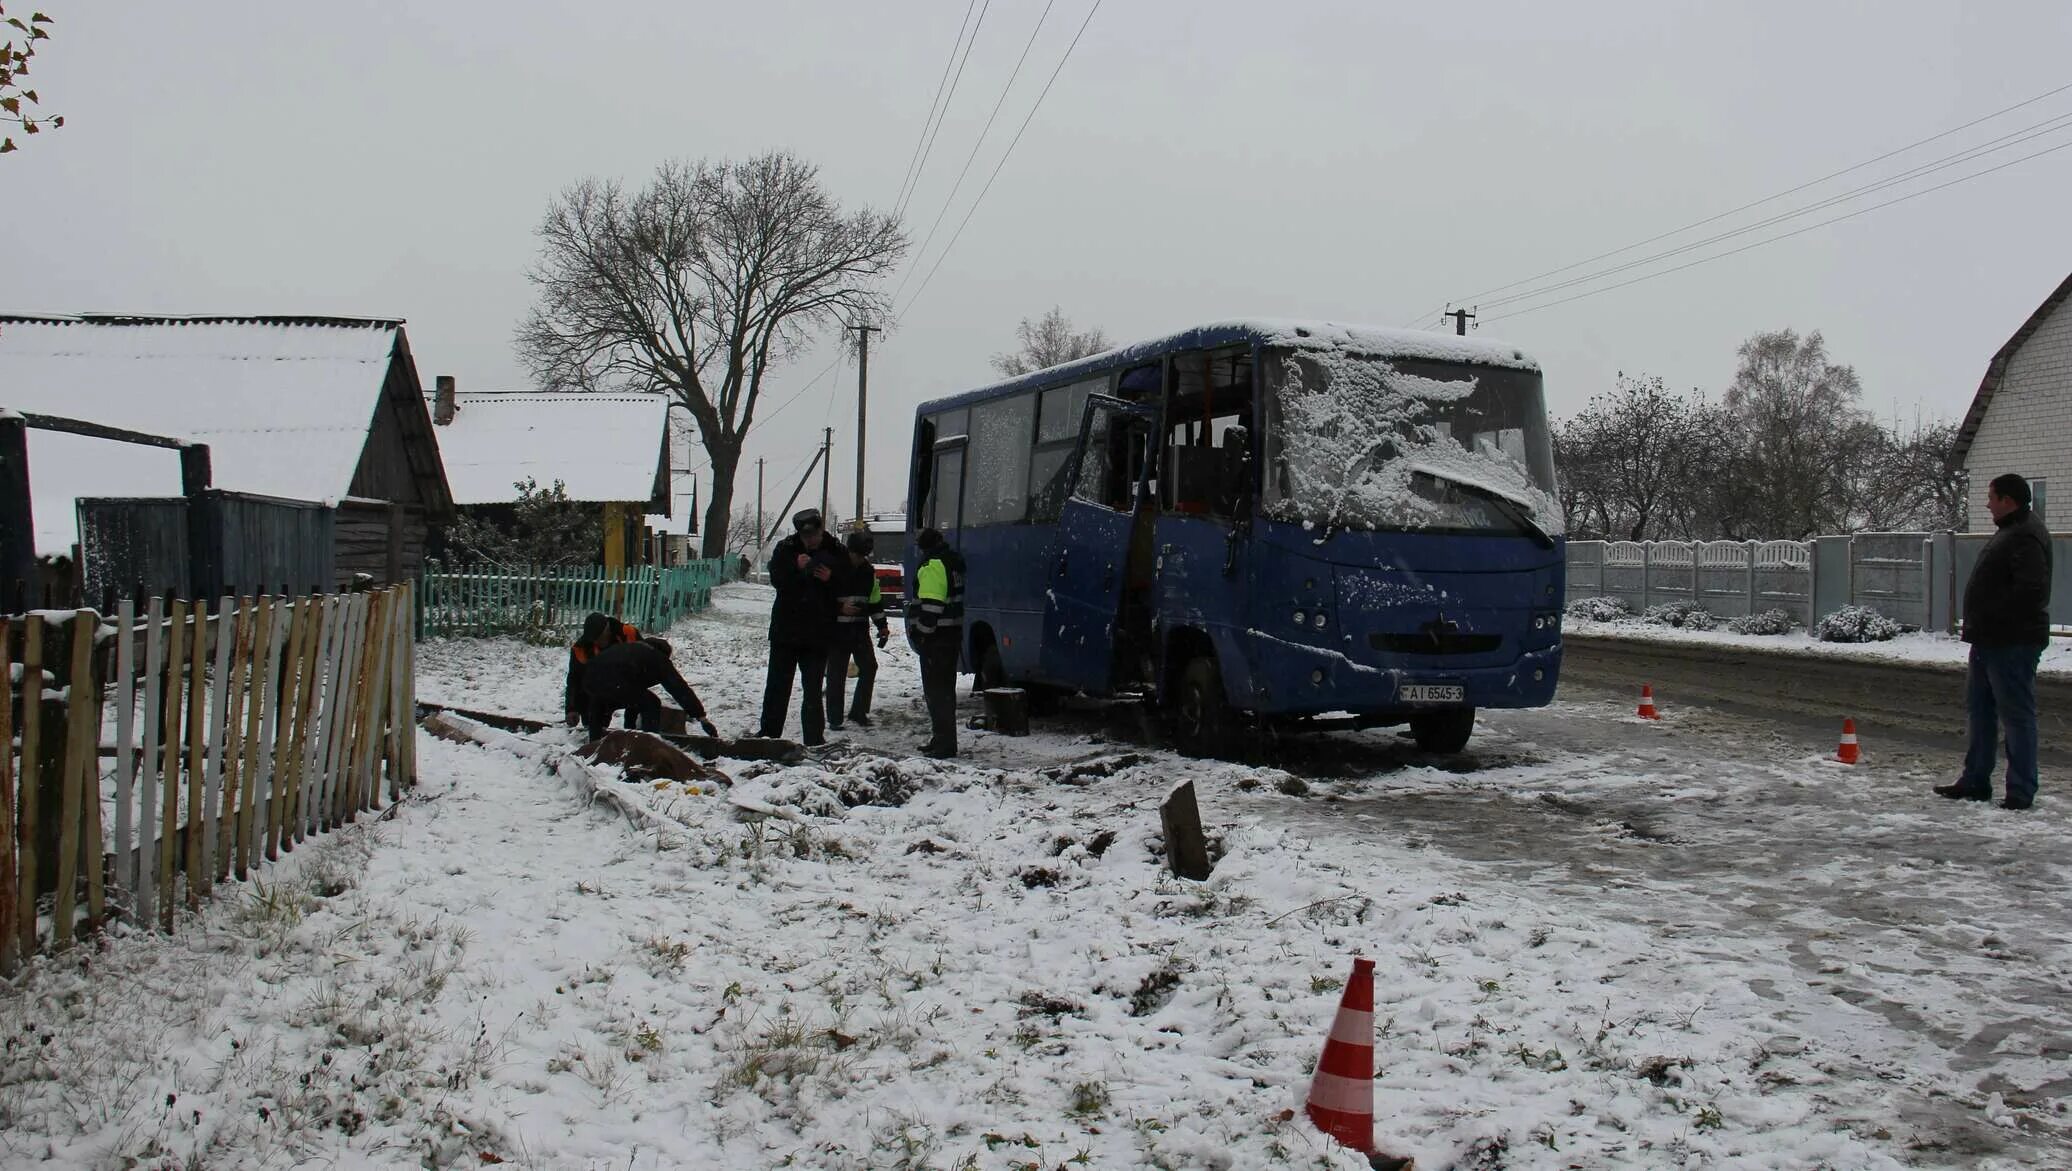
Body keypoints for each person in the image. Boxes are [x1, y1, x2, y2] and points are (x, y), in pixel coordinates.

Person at [1937, 472, 2054, 810]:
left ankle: (2020, 790)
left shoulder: (2025, 535)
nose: (1987, 503)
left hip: (2012, 642)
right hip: (1991, 640)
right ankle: (1975, 780)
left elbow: (2031, 592)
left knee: (2016, 715)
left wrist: (1992, 617)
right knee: (1981, 711)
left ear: (2008, 500)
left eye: (1991, 497)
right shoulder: (2011, 532)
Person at [758, 508, 843, 746]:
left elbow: (847, 583)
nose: (811, 541)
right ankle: (769, 735)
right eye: (806, 537)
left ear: (820, 530)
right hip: (786, 631)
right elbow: (777, 580)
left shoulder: (835, 549)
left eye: (814, 536)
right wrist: (796, 568)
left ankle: (814, 738)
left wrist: (830, 579)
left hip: (817, 633)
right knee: (777, 685)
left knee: (813, 689)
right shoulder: (786, 549)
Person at [580, 637, 717, 743]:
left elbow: (632, 697)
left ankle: (595, 743)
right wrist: (701, 716)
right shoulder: (656, 657)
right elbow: (678, 687)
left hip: (590, 678)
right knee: (651, 703)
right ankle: (649, 744)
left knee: (605, 701)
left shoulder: (629, 649)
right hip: (615, 681)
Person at [907, 527, 966, 759]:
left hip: (936, 640)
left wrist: (921, 634)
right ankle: (942, 739)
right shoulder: (953, 563)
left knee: (937, 693)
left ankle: (943, 744)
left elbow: (931, 606)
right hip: (950, 636)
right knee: (945, 692)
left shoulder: (933, 566)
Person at [826, 531, 892, 731]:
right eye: (857, 555)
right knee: (836, 674)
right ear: (850, 551)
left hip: (859, 630)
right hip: (837, 631)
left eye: (863, 556)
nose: (860, 559)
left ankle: (859, 712)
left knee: (869, 667)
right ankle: (835, 718)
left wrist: (882, 626)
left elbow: (874, 602)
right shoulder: (834, 568)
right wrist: (839, 609)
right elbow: (820, 599)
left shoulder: (868, 572)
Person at [565, 612, 641, 726]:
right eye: (593, 640)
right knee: (593, 720)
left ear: (607, 629)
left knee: (640, 702)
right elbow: (574, 680)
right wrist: (571, 709)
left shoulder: (628, 634)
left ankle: (632, 731)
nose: (596, 642)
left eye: (599, 638)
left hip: (629, 685)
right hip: (600, 690)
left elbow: (645, 661)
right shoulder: (582, 648)